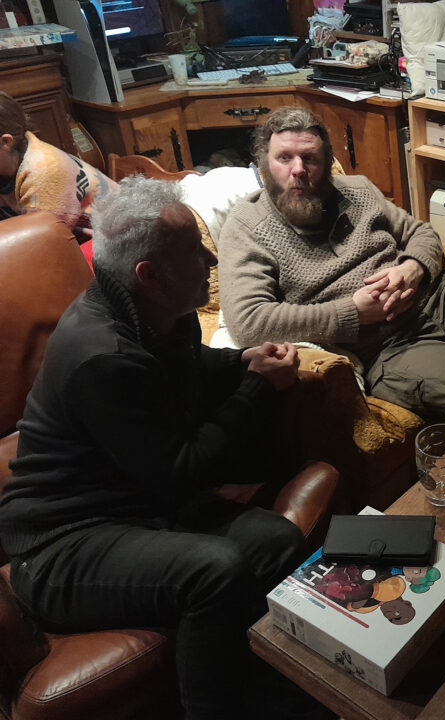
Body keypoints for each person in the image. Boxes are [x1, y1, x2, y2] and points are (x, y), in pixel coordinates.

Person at [0, 176, 324, 719]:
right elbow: (182, 472)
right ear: (148, 275)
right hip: (58, 546)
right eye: (195, 252)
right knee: (213, 569)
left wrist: (243, 362)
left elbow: (188, 368)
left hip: (134, 508)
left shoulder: (158, 313)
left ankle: (282, 690)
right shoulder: (102, 355)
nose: (211, 260)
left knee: (277, 539)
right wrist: (257, 389)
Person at [218, 106, 445, 430]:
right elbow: (248, 322)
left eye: (310, 158)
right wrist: (351, 313)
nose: (298, 170)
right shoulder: (249, 225)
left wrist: (413, 267)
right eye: (284, 158)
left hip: (433, 298)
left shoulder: (358, 190)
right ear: (264, 164)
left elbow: (421, 233)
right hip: (384, 344)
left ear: (326, 162)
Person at [0, 91, 115, 235]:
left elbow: (43, 240)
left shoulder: (44, 173)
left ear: (6, 142)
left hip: (111, 239)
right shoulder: (8, 164)